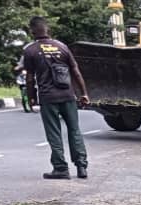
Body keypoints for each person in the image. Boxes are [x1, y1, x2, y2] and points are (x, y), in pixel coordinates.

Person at [22, 16, 90, 179]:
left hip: (48, 98)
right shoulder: (62, 47)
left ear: (32, 31)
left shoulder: (30, 50)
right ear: (48, 29)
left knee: (54, 133)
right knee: (74, 130)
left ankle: (61, 169)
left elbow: (30, 78)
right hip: (68, 95)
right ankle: (81, 167)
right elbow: (76, 71)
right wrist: (83, 94)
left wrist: (31, 98)